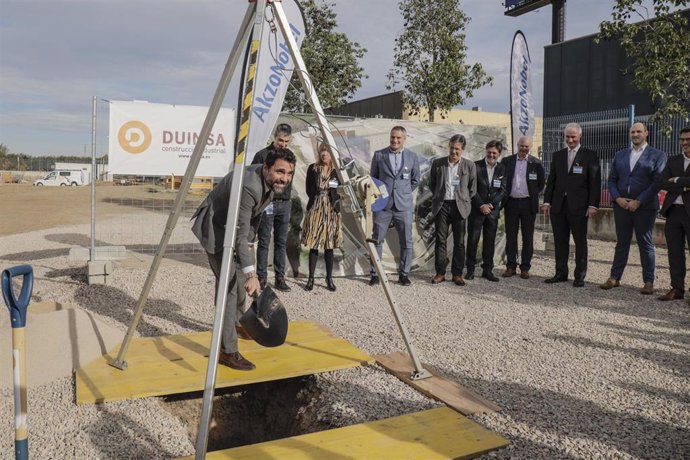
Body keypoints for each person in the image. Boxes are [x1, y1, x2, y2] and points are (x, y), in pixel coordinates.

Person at [192, 149, 296, 370]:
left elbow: (251, 222)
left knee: (240, 285)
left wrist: (247, 254)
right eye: (280, 171)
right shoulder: (249, 185)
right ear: (267, 168)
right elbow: (238, 234)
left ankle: (239, 324)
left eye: (289, 173)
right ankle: (227, 351)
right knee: (228, 290)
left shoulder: (271, 182)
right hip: (216, 229)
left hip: (237, 230)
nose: (285, 178)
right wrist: (253, 274)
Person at [600, 122, 667, 294]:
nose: (635, 134)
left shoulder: (658, 155)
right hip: (621, 205)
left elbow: (657, 182)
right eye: (632, 132)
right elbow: (612, 179)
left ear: (646, 133)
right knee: (622, 242)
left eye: (639, 131)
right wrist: (617, 198)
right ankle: (614, 277)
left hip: (644, 207)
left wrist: (639, 201)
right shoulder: (621, 154)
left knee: (645, 243)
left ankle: (648, 281)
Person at [542, 123, 601, 287]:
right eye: (567, 136)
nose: (570, 139)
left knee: (580, 241)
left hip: (580, 207)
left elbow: (594, 182)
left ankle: (580, 275)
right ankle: (561, 273)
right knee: (560, 241)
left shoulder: (590, 155)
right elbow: (551, 180)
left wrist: (593, 205)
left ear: (580, 136)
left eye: (573, 136)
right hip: (558, 206)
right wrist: (547, 201)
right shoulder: (558, 155)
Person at [369, 126, 420, 286]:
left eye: (398, 138)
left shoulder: (412, 156)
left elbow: (415, 180)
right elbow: (373, 179)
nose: (395, 140)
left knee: (406, 241)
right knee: (377, 240)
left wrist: (402, 193)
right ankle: (375, 274)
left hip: (403, 206)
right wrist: (384, 195)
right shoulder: (379, 155)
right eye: (393, 137)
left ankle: (403, 274)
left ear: (404, 139)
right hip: (383, 205)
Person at [427, 135, 476, 286]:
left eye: (457, 149)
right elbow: (432, 184)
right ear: (448, 147)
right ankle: (440, 273)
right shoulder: (438, 163)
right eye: (452, 148)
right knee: (440, 241)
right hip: (442, 206)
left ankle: (457, 274)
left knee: (459, 242)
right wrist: (438, 196)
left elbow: (473, 189)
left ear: (462, 150)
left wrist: (463, 200)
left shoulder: (469, 166)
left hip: (459, 207)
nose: (454, 152)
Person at [251, 123, 294, 292]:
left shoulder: (290, 156)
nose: (283, 144)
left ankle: (280, 278)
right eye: (280, 140)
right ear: (274, 138)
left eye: (286, 141)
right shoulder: (262, 155)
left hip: (285, 204)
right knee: (264, 241)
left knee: (281, 242)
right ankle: (261, 278)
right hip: (267, 203)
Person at [501, 136, 546, 279]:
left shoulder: (536, 163)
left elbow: (541, 184)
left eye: (527, 147)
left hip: (528, 204)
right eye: (522, 146)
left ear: (530, 147)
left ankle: (525, 267)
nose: (524, 149)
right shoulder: (507, 161)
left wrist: (532, 193)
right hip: (511, 203)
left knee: (528, 237)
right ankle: (511, 266)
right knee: (511, 236)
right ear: (517, 145)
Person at [301, 143, 343, 291]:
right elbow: (308, 189)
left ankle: (329, 278)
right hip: (316, 207)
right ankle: (310, 278)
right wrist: (316, 201)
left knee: (329, 246)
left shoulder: (336, 170)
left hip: (331, 209)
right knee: (314, 244)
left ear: (332, 154)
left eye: (327, 151)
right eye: (322, 151)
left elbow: (339, 189)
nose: (324, 154)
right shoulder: (313, 168)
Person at [466, 140, 507, 282]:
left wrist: (490, 205)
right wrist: (481, 205)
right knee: (473, 240)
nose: (491, 154)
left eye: (494, 152)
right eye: (489, 151)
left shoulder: (502, 169)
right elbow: (471, 188)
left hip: (492, 212)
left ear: (499, 154)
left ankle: (487, 270)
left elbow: (503, 190)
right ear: (486, 151)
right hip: (477, 210)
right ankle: (470, 270)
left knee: (489, 242)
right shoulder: (475, 166)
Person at [657, 127, 690, 301]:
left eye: (688, 139)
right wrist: (686, 185)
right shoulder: (673, 160)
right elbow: (662, 183)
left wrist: (677, 180)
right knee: (675, 253)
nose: (685, 143)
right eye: (682, 139)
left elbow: (671, 182)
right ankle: (677, 289)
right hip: (673, 212)